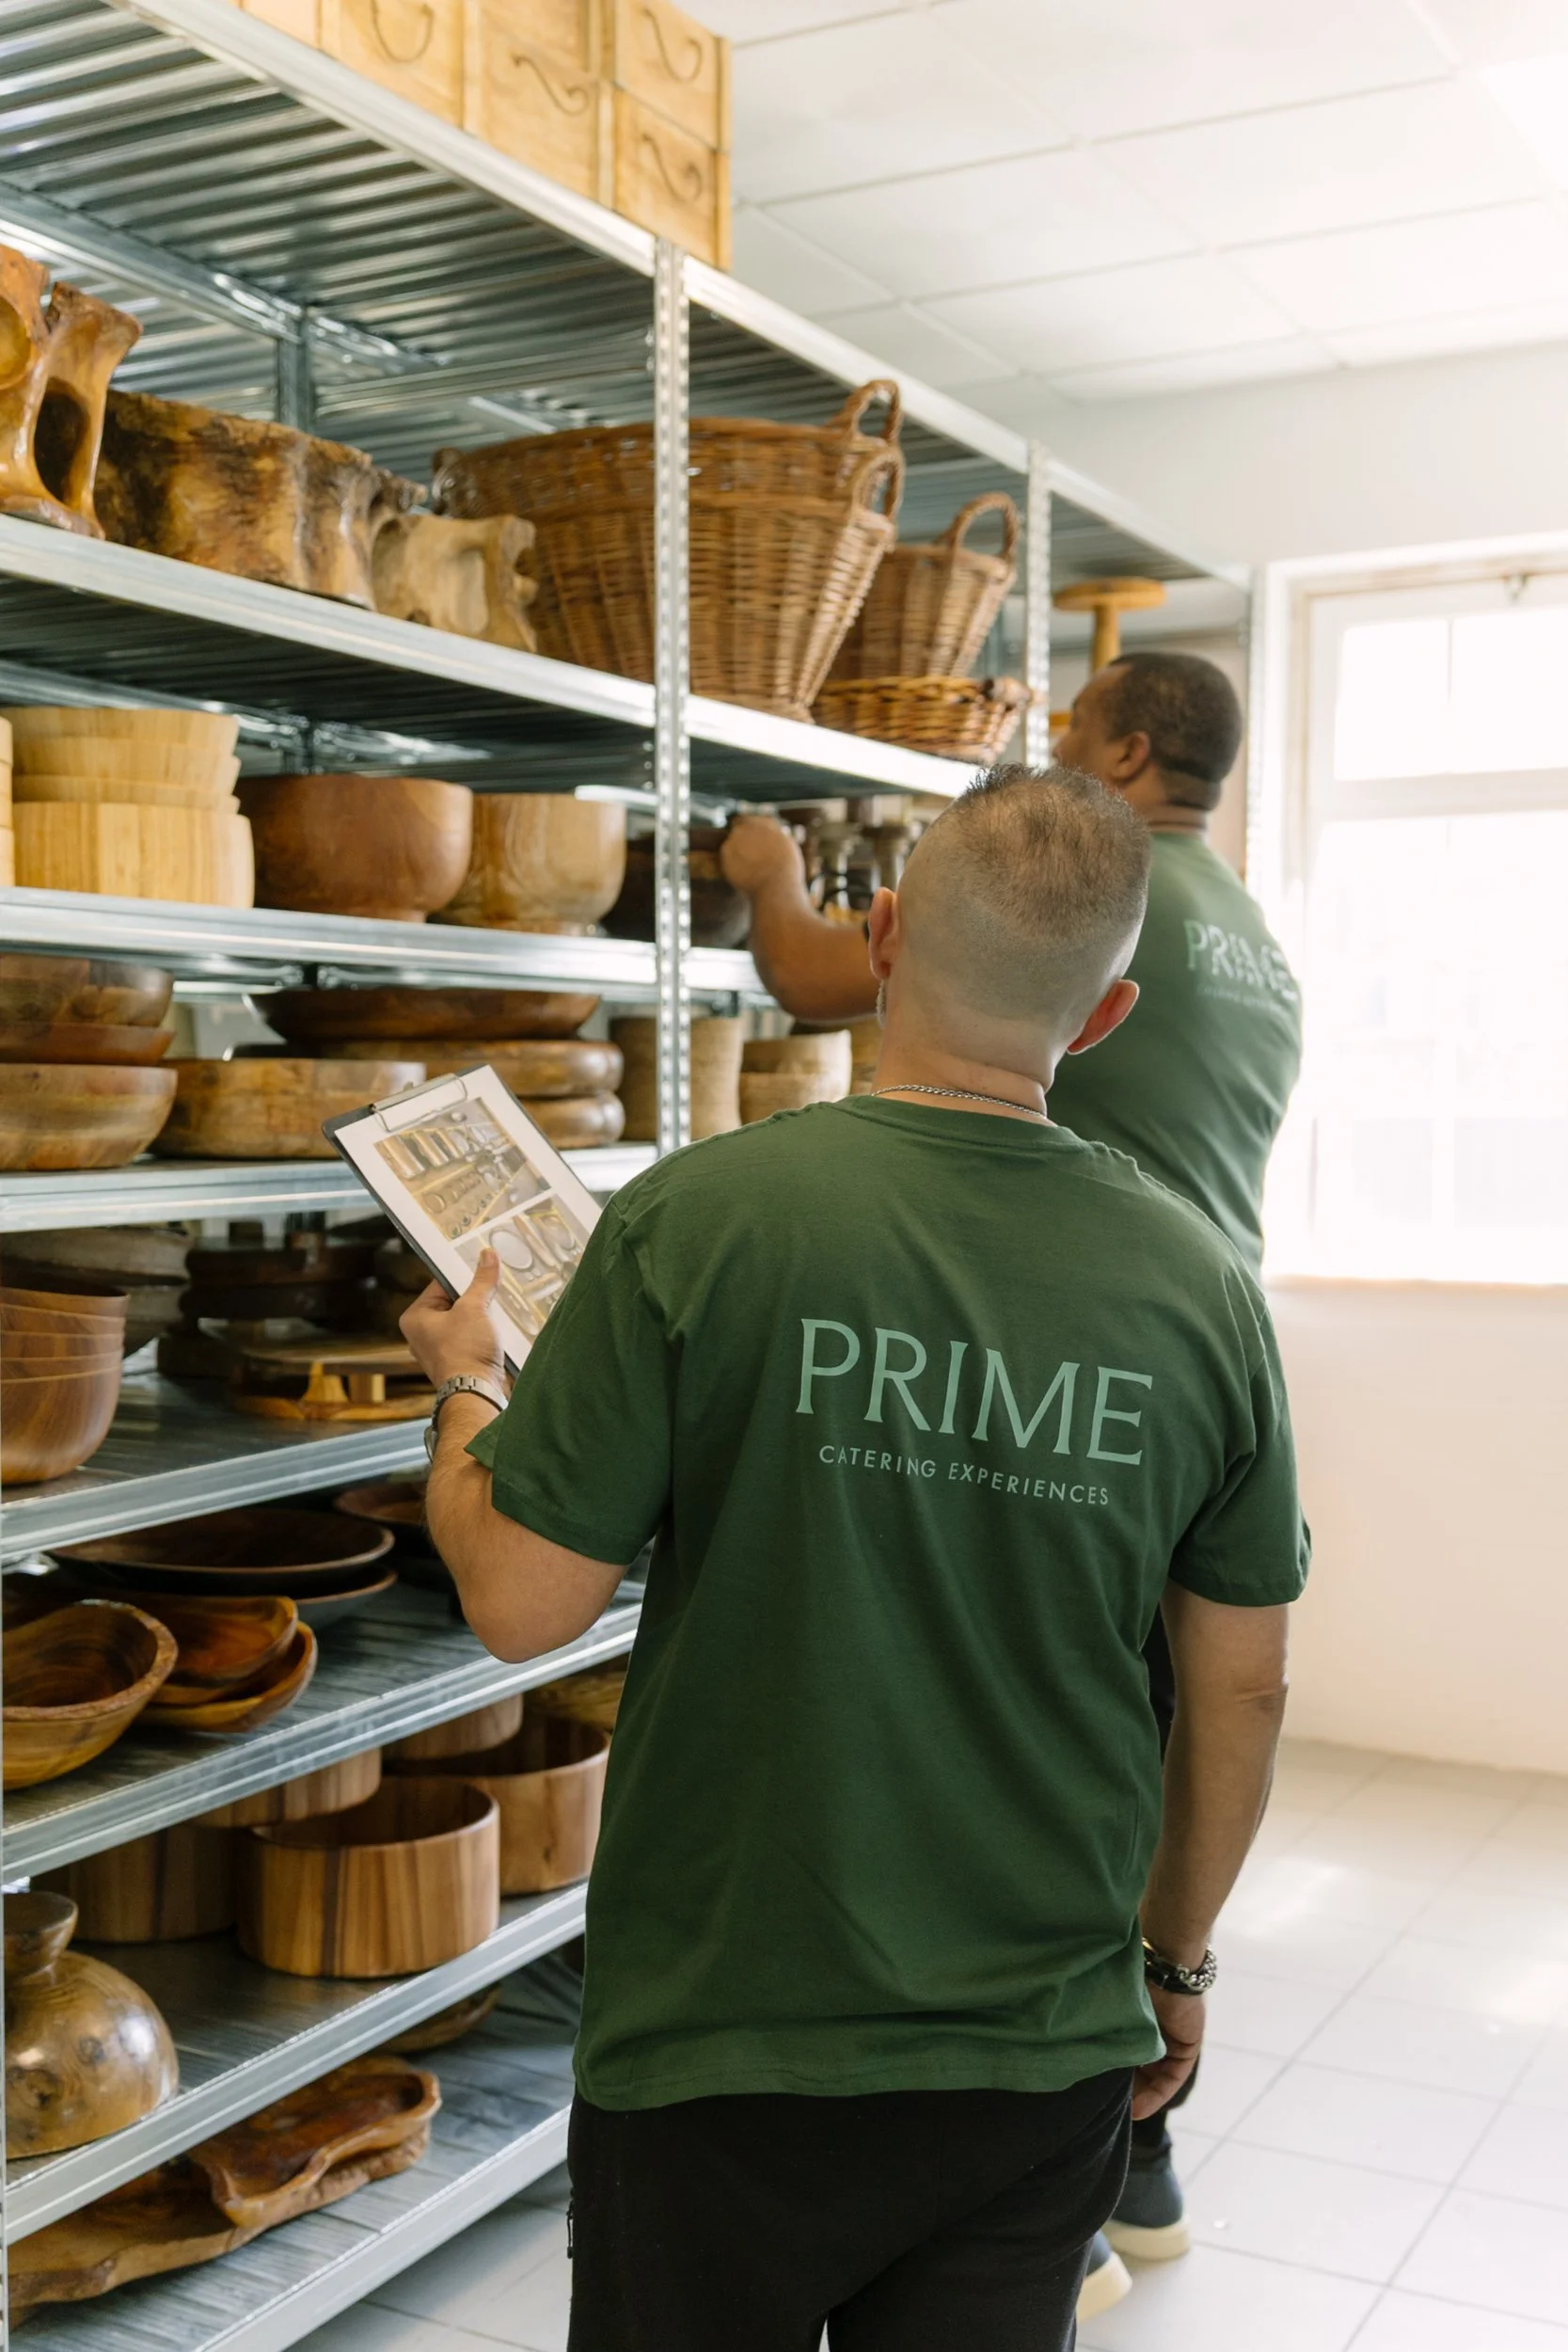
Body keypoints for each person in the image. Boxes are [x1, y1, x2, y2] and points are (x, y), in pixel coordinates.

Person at [401, 764, 1307, 2352]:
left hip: (719, 2038)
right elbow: (1240, 1690)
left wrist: (469, 1389)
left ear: (880, 936)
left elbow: (520, 1603)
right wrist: (1173, 1967)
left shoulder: (696, 1222)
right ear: (1103, 1017)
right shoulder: (1203, 1293)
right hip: (1036, 2046)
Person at [722, 656, 1304, 2265]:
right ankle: (1129, 2151)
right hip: (1192, 1361)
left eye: (1066, 736)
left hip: (1050, 1330)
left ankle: (1037, 2146)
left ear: (1127, 749)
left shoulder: (1111, 899)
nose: (1049, 761)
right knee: (1128, 1736)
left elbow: (816, 981)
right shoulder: (1253, 935)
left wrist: (766, 874)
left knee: (989, 1741)